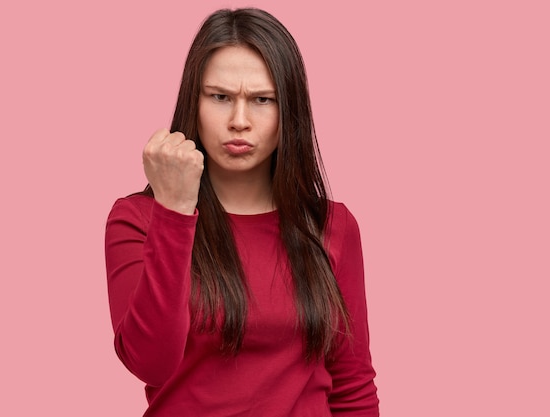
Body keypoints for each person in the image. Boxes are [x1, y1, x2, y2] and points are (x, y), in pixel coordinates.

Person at [105, 8, 379, 416]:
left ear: (290, 111)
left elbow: (352, 386)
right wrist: (176, 210)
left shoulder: (333, 226)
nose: (239, 121)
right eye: (220, 97)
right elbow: (151, 363)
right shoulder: (139, 219)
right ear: (193, 103)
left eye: (262, 100)